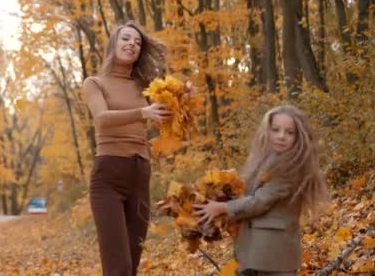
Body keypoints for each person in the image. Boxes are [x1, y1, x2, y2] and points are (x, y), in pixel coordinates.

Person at [193, 105, 329, 276]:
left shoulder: (291, 168)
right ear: (267, 131)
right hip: (257, 249)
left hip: (274, 252)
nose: (281, 136)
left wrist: (220, 208)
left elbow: (260, 202)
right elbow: (247, 193)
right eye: (276, 130)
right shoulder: (267, 159)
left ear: (298, 137)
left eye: (289, 132)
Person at [83, 21, 172, 276]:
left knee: (131, 265)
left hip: (140, 175)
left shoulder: (145, 86)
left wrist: (182, 97)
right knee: (118, 267)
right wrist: (142, 111)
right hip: (108, 177)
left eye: (137, 42)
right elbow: (102, 119)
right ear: (113, 44)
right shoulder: (95, 83)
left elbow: (167, 113)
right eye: (126, 39)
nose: (132, 44)